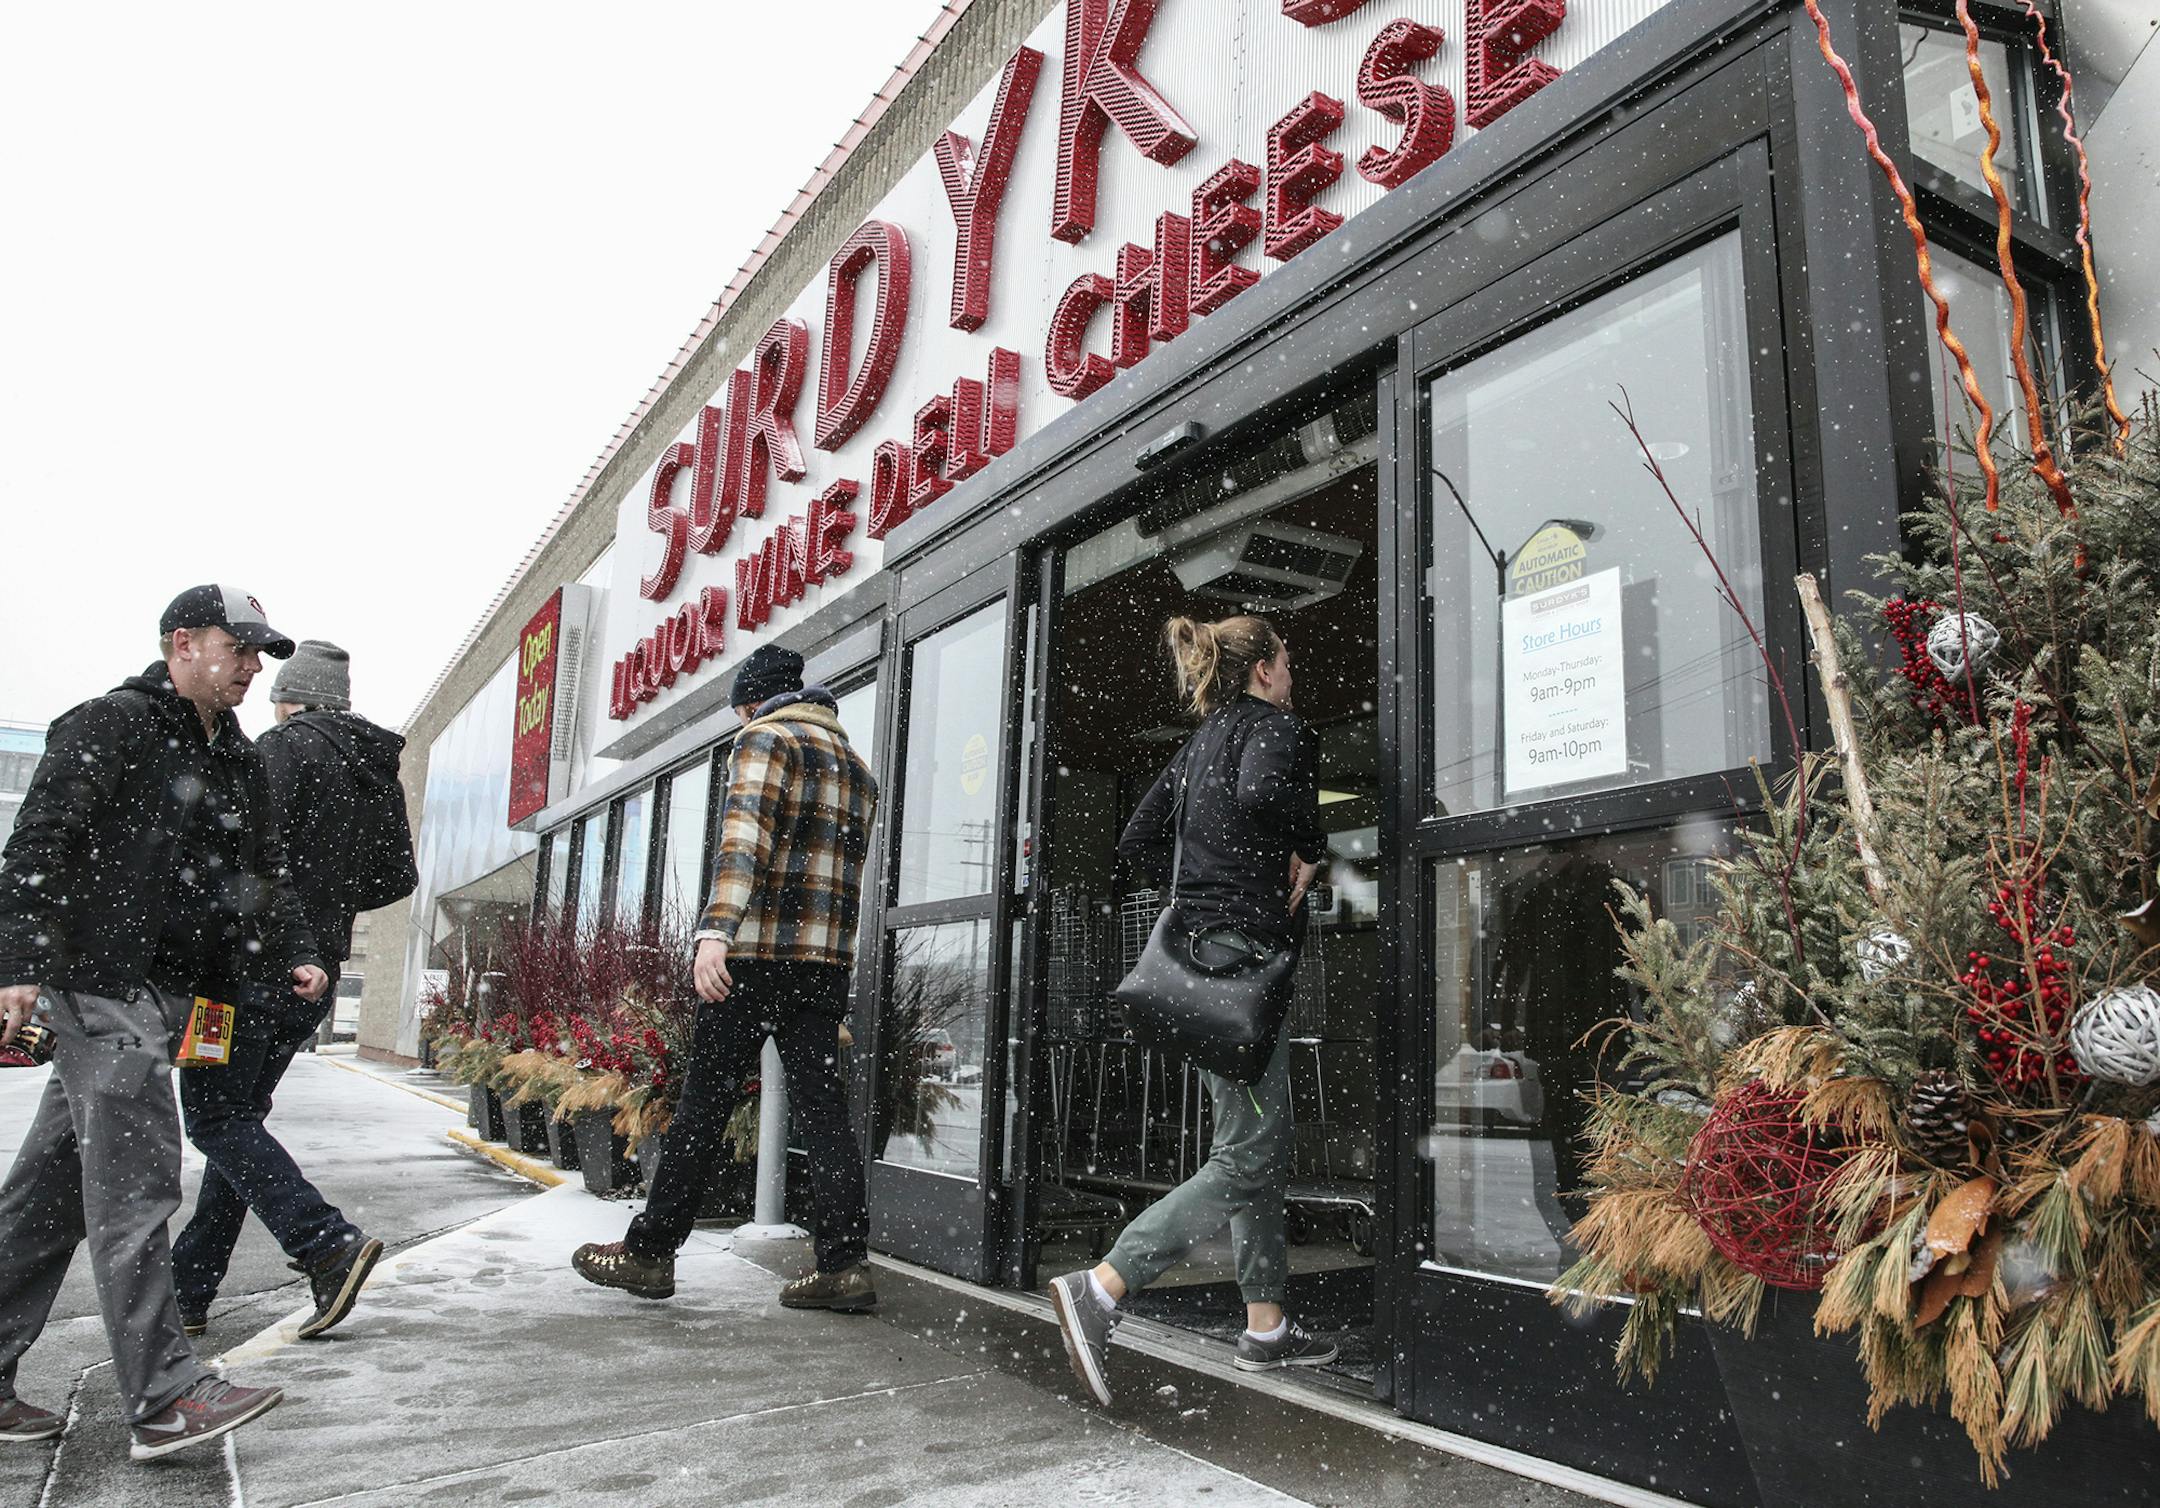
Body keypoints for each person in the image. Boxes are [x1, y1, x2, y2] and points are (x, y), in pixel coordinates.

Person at [0, 586, 326, 1461]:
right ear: (183, 644)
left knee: (50, 1193)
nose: (254, 668)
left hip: (172, 994)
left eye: (261, 656)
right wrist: (20, 962)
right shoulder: (112, 724)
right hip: (98, 984)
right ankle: (165, 1399)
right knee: (138, 1186)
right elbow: (38, 842)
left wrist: (297, 947)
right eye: (240, 649)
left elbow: (265, 870)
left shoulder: (239, 761)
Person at [1049, 613, 1334, 1406]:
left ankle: (1267, 1325)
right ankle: (1105, 1284)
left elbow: (1140, 839)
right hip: (1243, 968)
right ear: (1264, 670)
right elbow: (1267, 792)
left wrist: (1194, 896)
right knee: (1249, 1154)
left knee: (1251, 1146)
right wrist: (1306, 849)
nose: (1292, 672)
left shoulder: (1199, 741)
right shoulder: (1275, 728)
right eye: (1287, 658)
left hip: (1198, 970)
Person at [573, 643, 879, 1310]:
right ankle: (845, 1265)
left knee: (702, 1107)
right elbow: (846, 884)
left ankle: (652, 1253)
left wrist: (715, 931)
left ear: (752, 703)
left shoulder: (764, 740)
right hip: (821, 965)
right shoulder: (857, 768)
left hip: (754, 962)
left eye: (741, 710)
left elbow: (745, 841)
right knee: (825, 1113)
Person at [171, 639, 415, 1342]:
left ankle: (325, 1243)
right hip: (314, 973)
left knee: (217, 1118)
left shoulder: (281, 750)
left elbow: (241, 855)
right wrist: (329, 906)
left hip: (244, 968)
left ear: (292, 697)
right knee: (238, 1119)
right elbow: (397, 878)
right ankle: (188, 1286)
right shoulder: (376, 771)